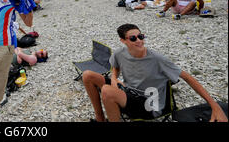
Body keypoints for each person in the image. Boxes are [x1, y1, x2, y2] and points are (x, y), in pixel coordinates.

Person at [82, 23, 228, 122]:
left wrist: (215, 106)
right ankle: (100, 118)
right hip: (128, 91)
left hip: (149, 105)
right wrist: (114, 78)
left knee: (107, 91)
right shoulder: (120, 53)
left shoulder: (157, 59)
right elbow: (116, 67)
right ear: (123, 41)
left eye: (141, 36)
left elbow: (188, 78)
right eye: (133, 38)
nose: (139, 41)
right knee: (88, 75)